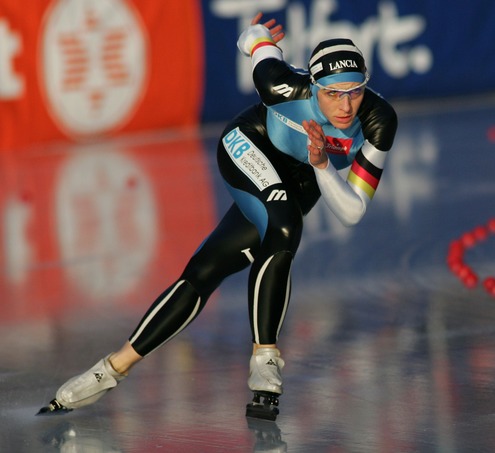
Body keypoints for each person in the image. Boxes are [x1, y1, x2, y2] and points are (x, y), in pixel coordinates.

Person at [38, 12, 398, 421]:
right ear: (314, 87)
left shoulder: (379, 120)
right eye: (334, 94)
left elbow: (351, 210)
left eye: (355, 92)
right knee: (284, 224)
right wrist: (261, 36)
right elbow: (252, 39)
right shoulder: (279, 83)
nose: (346, 105)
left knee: (204, 272)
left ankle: (109, 370)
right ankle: (265, 358)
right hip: (249, 145)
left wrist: (320, 166)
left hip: (305, 177)